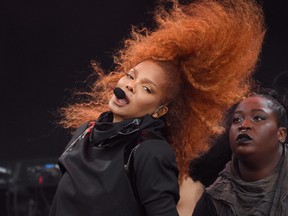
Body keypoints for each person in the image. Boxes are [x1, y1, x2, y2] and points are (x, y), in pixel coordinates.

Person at [49, 0, 265, 215]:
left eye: (147, 89)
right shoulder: (83, 133)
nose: (130, 85)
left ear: (159, 111)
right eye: (130, 75)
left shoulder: (149, 151)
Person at [192, 88, 288, 216]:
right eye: (237, 119)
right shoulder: (214, 199)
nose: (244, 125)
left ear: (281, 134)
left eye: (258, 118)